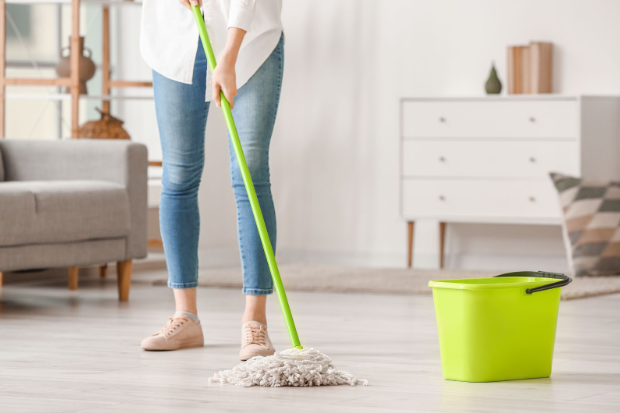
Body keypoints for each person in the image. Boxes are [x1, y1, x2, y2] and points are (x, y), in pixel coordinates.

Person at [139, 0, 284, 361]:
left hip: (250, 43)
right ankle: (185, 317)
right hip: (175, 40)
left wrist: (230, 55)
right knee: (178, 176)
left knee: (250, 174)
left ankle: (256, 320)